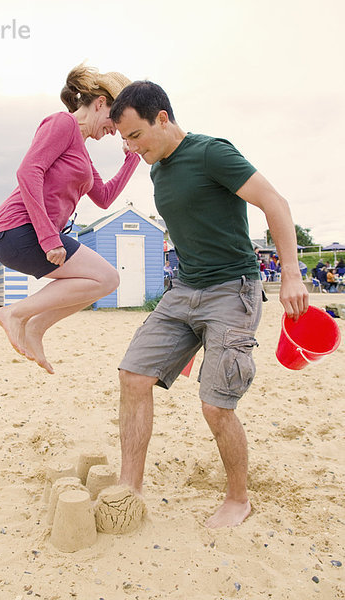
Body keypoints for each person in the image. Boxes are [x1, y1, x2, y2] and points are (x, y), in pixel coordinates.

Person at [109, 81, 309, 528]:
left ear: (163, 118)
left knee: (216, 406)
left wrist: (291, 274)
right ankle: (130, 489)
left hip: (231, 290)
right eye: (125, 139)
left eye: (136, 136)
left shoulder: (210, 153)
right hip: (184, 291)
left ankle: (238, 498)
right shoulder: (157, 167)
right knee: (133, 376)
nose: (131, 147)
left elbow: (274, 202)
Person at [0, 65, 140, 373]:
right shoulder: (63, 123)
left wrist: (132, 157)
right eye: (115, 118)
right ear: (99, 103)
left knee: (99, 282)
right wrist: (48, 238)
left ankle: (36, 327)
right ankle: (15, 314)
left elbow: (104, 197)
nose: (116, 130)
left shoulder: (81, 151)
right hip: (16, 229)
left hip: (29, 234)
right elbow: (28, 171)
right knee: (107, 277)